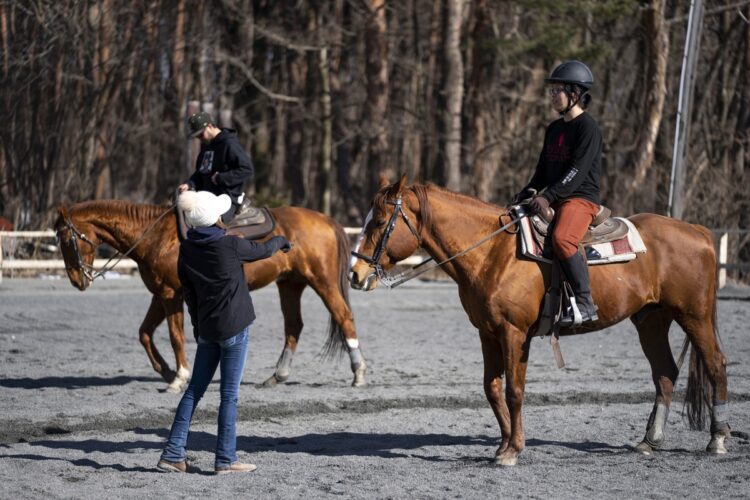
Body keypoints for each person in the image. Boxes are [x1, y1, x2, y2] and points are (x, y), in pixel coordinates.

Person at [157, 190, 292, 474]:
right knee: (229, 396)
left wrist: (198, 326)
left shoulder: (186, 250)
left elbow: (190, 296)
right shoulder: (230, 246)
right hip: (235, 328)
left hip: (207, 329)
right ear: (215, 219)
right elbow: (264, 251)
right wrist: (281, 240)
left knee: (194, 392)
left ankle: (172, 453)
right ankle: (225, 460)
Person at [512, 60, 602, 326]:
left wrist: (548, 196)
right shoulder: (553, 129)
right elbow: (543, 168)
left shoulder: (588, 129)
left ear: (575, 94)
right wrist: (528, 191)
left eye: (557, 90)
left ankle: (585, 303)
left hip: (580, 198)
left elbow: (576, 171)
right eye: (551, 91)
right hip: (555, 195)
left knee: (563, 238)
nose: (552, 95)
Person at [178, 111, 254, 224]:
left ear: (209, 126)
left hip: (228, 198)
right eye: (197, 136)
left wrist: (221, 178)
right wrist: (189, 184)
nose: (199, 138)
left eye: (200, 134)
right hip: (206, 198)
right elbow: (201, 173)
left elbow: (246, 169)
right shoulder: (206, 147)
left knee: (209, 223)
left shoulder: (229, 144)